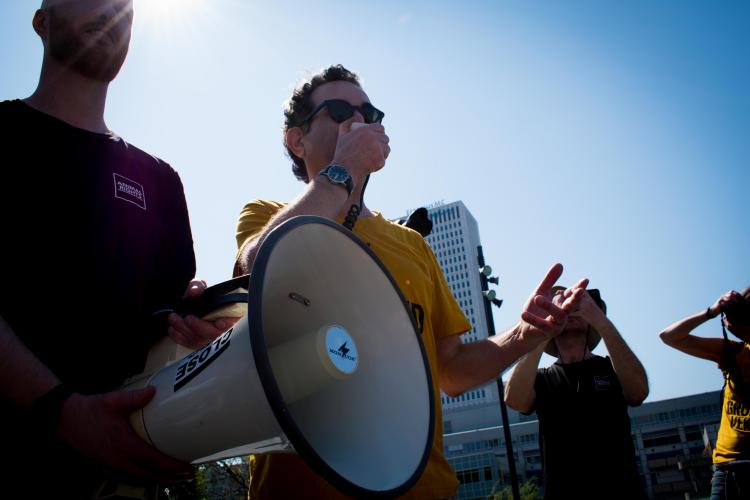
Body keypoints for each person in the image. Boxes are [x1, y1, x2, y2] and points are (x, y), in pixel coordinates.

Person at [234, 64, 586, 499]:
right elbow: (258, 265)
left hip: (422, 487)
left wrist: (523, 335)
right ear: (297, 139)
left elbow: (451, 370)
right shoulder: (266, 214)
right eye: (340, 109)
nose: (359, 121)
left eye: (371, 113)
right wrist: (344, 168)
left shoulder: (412, 245)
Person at [0, 1, 229, 497]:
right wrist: (62, 411)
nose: (110, 11)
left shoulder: (161, 181)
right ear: (41, 21)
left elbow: (161, 337)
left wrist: (197, 324)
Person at [504, 285, 649, 499]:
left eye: (575, 307)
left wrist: (601, 321)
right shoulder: (542, 379)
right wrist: (544, 328)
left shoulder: (613, 368)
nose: (568, 311)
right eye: (562, 307)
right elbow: (514, 400)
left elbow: (638, 392)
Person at [660, 287, 750, 500]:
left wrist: (718, 314)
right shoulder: (734, 352)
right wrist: (711, 311)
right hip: (728, 467)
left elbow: (669, 337)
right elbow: (669, 336)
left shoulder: (736, 351)